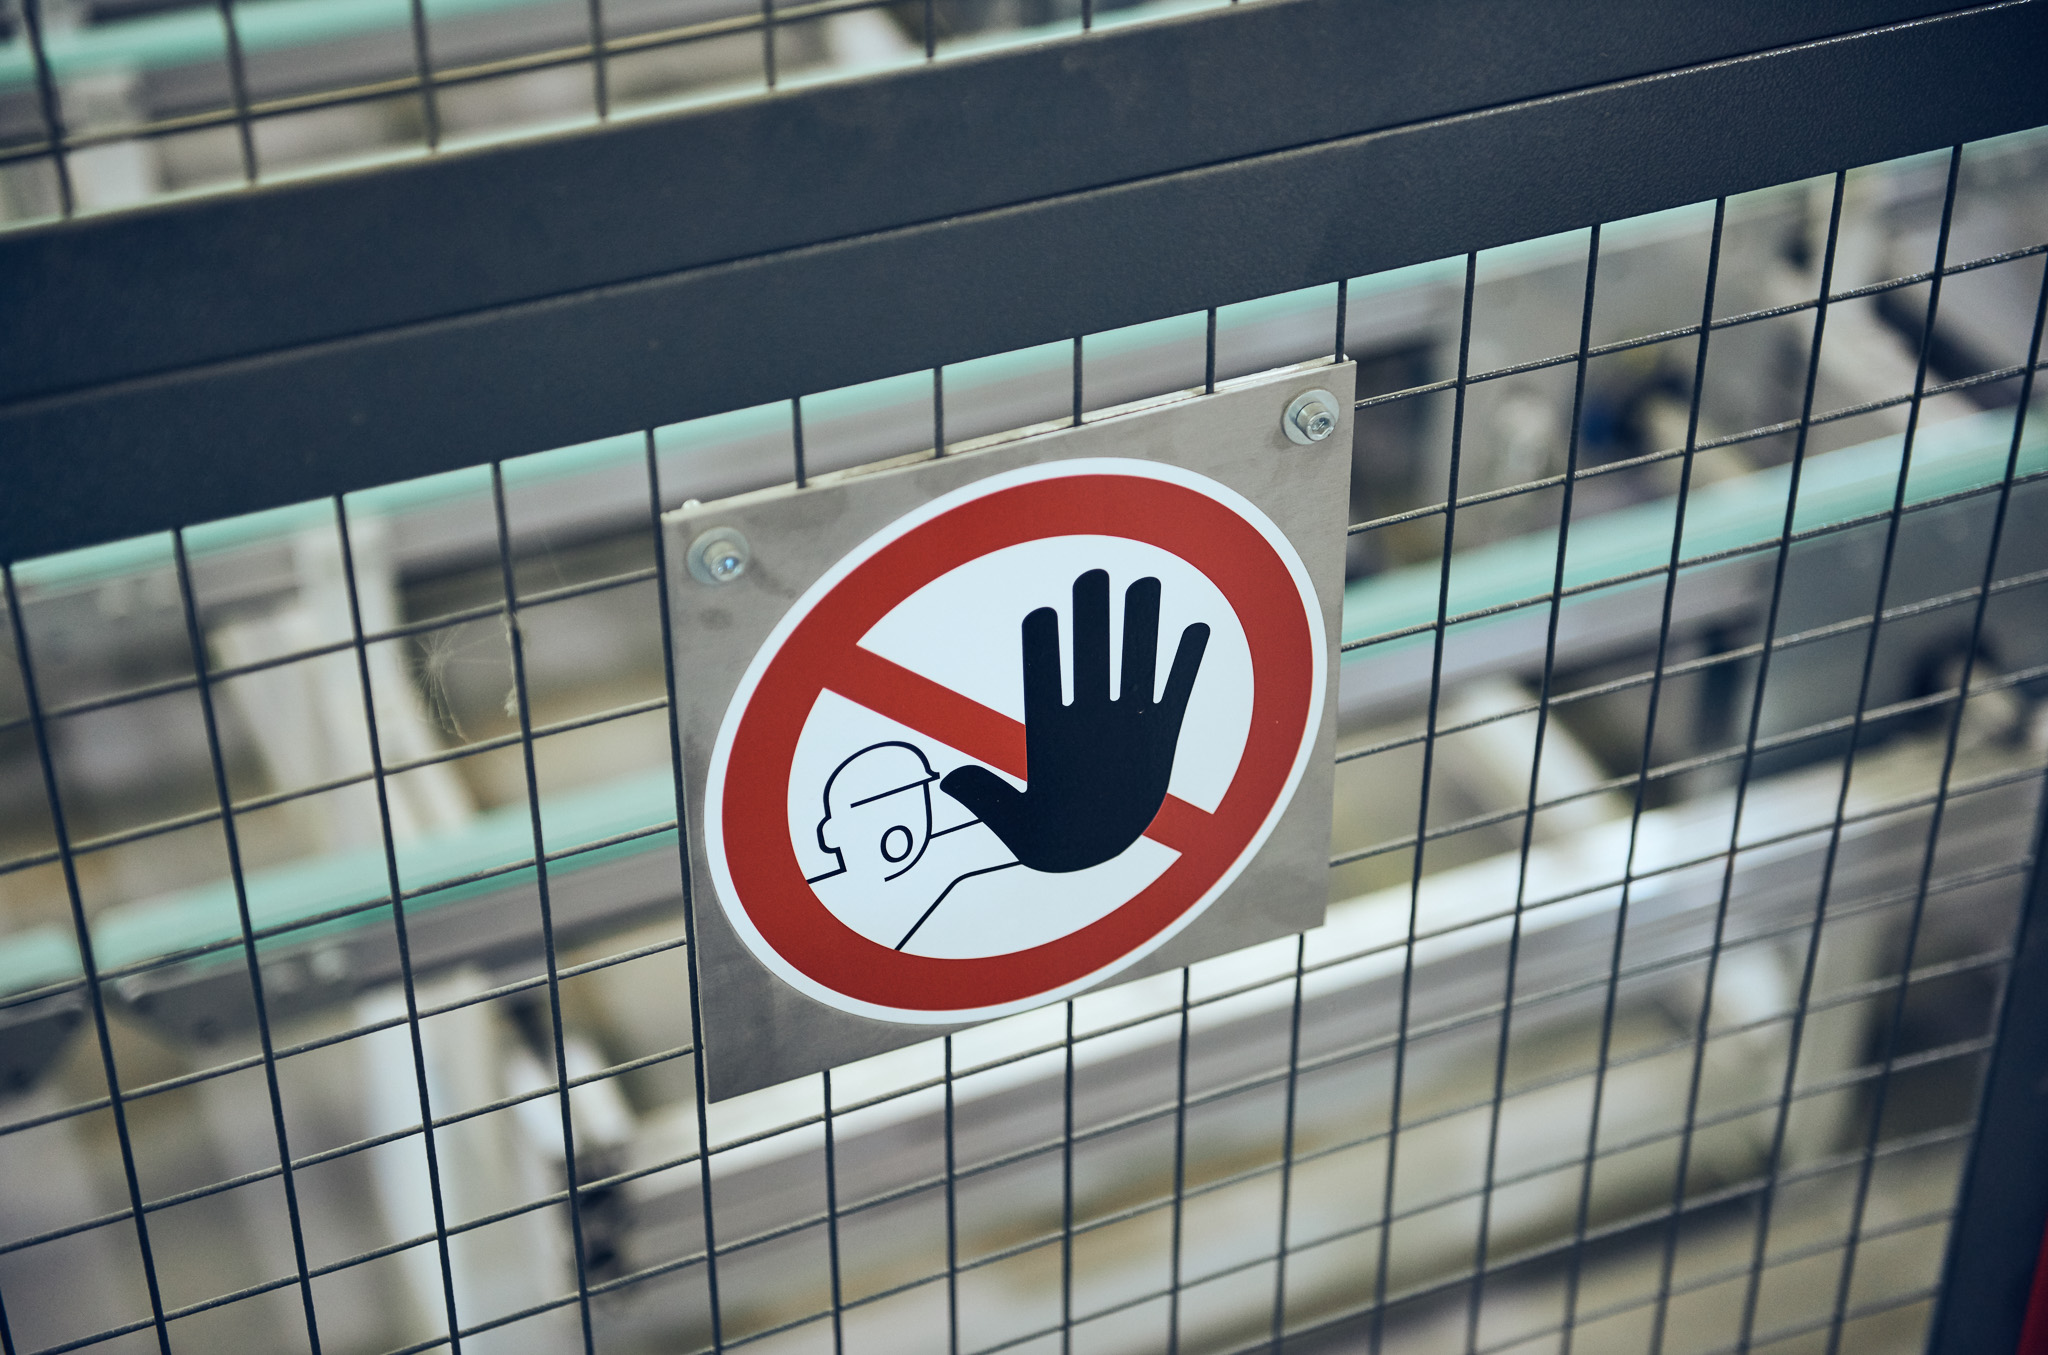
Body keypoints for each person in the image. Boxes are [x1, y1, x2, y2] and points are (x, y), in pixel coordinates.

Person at [805, 741, 1018, 951]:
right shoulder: (822, 904)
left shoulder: (943, 861)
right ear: (830, 833)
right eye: (870, 810)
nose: (898, 826)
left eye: (907, 802)